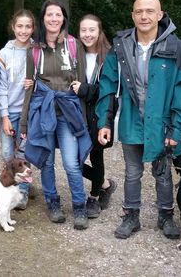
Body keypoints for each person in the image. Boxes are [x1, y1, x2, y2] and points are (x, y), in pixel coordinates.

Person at [96, 0, 181, 239]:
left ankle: (166, 216)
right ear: (132, 15)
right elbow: (108, 84)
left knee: (162, 171)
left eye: (150, 11)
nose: (144, 16)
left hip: (162, 122)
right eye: (139, 11)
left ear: (160, 15)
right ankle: (131, 216)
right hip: (131, 119)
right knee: (132, 171)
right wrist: (104, 122)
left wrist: (177, 129)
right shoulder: (120, 45)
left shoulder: (176, 47)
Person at [20, 0, 92, 230]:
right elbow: (30, 87)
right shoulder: (34, 49)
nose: (53, 19)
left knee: (71, 163)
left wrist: (82, 120)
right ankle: (53, 202)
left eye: (58, 15)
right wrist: (24, 123)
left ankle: (79, 205)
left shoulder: (74, 45)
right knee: (47, 162)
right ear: (43, 19)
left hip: (67, 113)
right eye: (49, 14)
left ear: (63, 18)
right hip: (43, 112)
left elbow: (81, 85)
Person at [71, 14, 117, 219]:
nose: (87, 34)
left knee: (96, 156)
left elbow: (110, 91)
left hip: (100, 116)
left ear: (99, 31)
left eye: (92, 30)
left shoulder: (109, 56)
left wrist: (85, 90)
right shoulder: (74, 55)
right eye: (83, 30)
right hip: (79, 115)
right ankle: (105, 184)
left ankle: (94, 196)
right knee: (72, 160)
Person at [0, 9, 35, 210]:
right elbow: (1, 87)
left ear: (33, 28)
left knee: (25, 152)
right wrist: (4, 115)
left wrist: (34, 83)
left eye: (28, 26)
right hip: (9, 111)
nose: (24, 30)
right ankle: (10, 186)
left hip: (28, 111)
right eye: (20, 26)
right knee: (7, 152)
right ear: (13, 27)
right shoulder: (4, 53)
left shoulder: (37, 51)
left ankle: (23, 192)